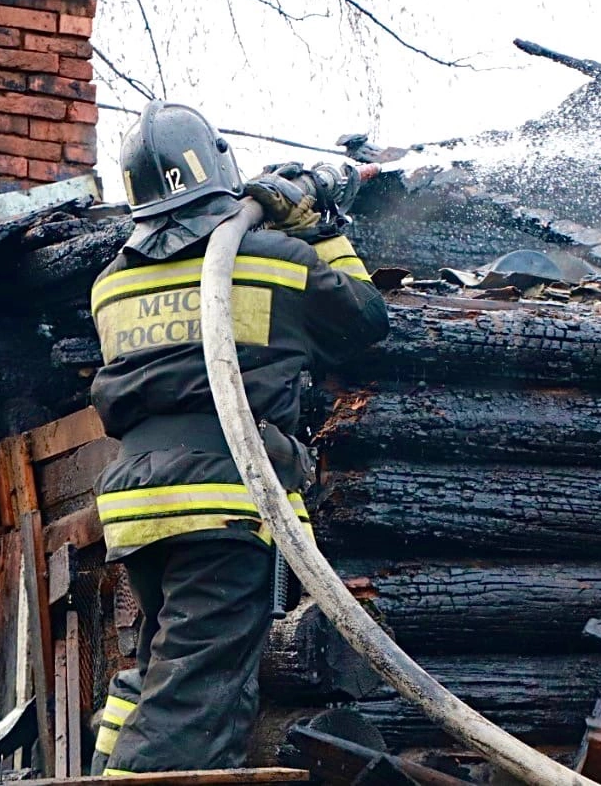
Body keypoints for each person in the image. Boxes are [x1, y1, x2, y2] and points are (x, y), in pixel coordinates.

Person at [87, 100, 389, 775]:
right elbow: (366, 318)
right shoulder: (274, 260)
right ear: (221, 168)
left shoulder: (111, 284)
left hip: (138, 503)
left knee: (162, 668)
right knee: (196, 699)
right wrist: (317, 228)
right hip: (222, 495)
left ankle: (104, 769)